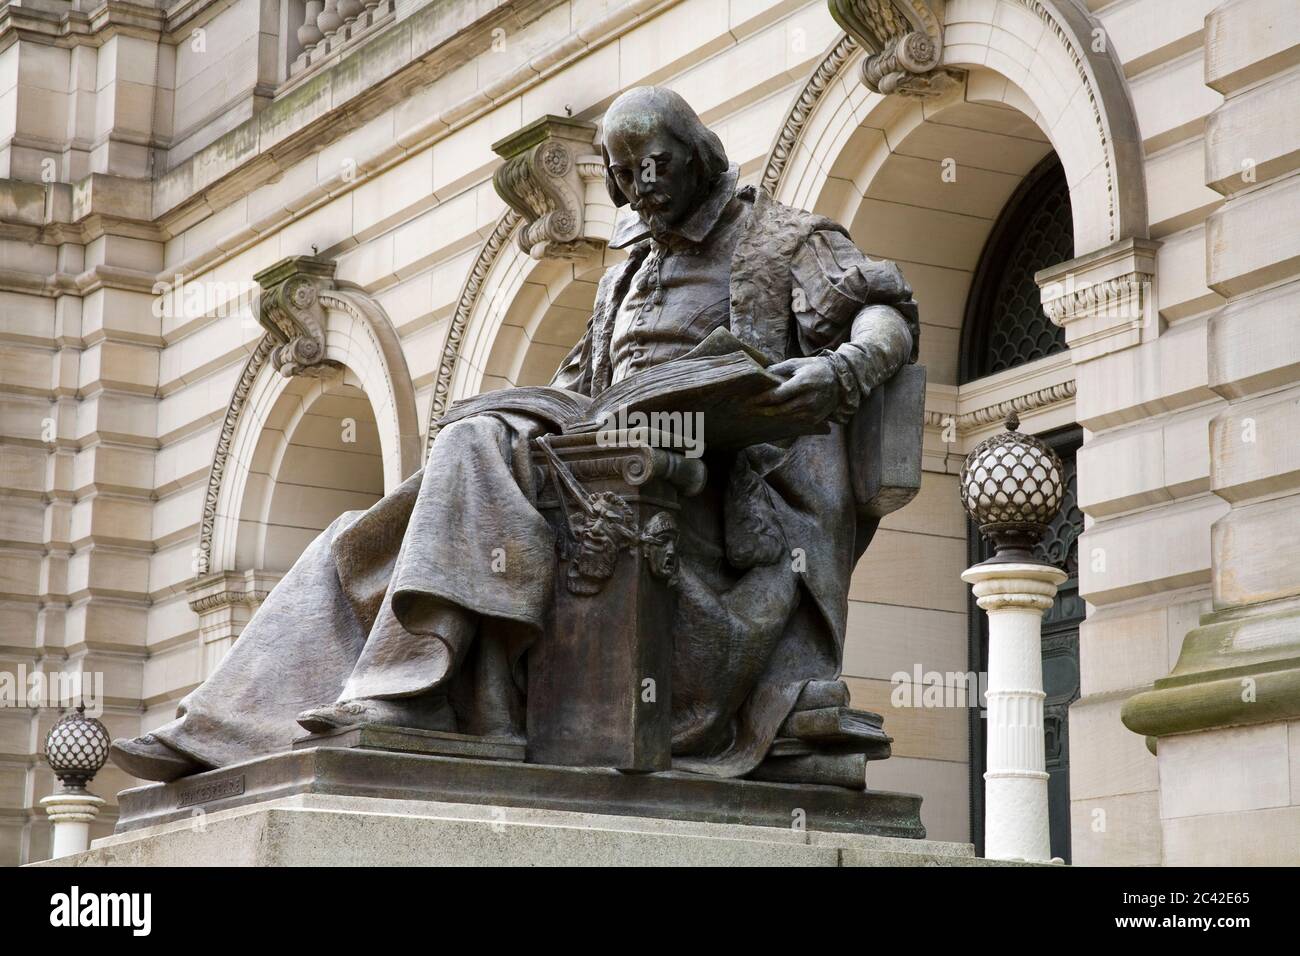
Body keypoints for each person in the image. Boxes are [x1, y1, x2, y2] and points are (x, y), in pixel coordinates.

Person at [110, 86, 918, 782]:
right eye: (624, 175)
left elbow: (884, 309)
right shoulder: (626, 270)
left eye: (655, 167)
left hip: (716, 477)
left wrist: (844, 370)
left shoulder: (782, 237)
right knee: (427, 479)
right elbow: (578, 384)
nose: (640, 189)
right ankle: (238, 721)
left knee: (491, 450)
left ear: (697, 153)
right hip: (613, 452)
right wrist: (539, 414)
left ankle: (416, 686)